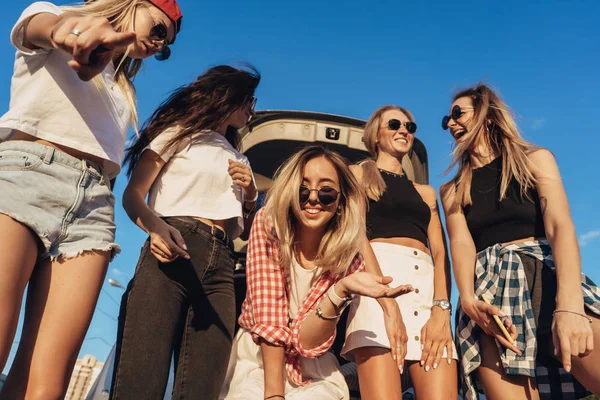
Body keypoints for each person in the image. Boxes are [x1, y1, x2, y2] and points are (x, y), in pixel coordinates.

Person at [0, 0, 182, 398]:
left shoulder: (123, 88)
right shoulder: (58, 17)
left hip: (95, 207)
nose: (157, 45)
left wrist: (155, 222)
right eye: (157, 30)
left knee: (46, 384)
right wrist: (71, 34)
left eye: (165, 45)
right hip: (25, 177)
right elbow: (46, 28)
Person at [109, 65, 261, 399]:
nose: (253, 106)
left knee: (204, 387)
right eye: (249, 98)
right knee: (142, 380)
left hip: (222, 265)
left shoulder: (239, 158)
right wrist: (157, 229)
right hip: (173, 246)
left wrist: (250, 194)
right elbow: (133, 195)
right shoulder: (177, 132)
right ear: (228, 95)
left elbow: (247, 229)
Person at [440, 83, 600, 399]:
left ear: (486, 115)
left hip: (546, 277)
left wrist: (569, 307)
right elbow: (461, 243)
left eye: (458, 114)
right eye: (447, 120)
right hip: (491, 298)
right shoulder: (452, 190)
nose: (451, 123)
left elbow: (559, 226)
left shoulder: (535, 159)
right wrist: (469, 302)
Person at [219, 145, 412, 400]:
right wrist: (274, 395)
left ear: (341, 201)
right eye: (303, 188)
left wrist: (339, 291)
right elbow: (270, 320)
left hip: (314, 367)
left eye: (326, 191)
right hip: (257, 359)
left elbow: (306, 343)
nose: (312, 197)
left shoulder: (349, 258)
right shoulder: (269, 224)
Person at [340, 105, 458, 399]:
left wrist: (441, 310)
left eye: (410, 127)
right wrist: (387, 304)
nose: (404, 130)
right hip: (376, 288)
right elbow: (356, 235)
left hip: (425, 291)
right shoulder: (356, 175)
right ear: (375, 134)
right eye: (394, 124)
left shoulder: (426, 193)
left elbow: (440, 253)